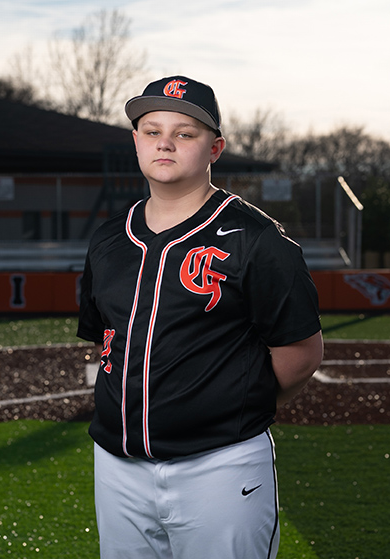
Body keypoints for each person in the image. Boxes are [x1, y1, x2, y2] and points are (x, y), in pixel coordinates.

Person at [77, 75, 323, 559]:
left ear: (214, 148)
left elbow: (301, 354)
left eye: (184, 133)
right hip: (116, 467)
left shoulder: (258, 240)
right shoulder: (109, 238)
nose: (164, 143)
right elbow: (105, 338)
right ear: (136, 141)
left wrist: (231, 406)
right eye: (152, 131)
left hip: (220, 467)